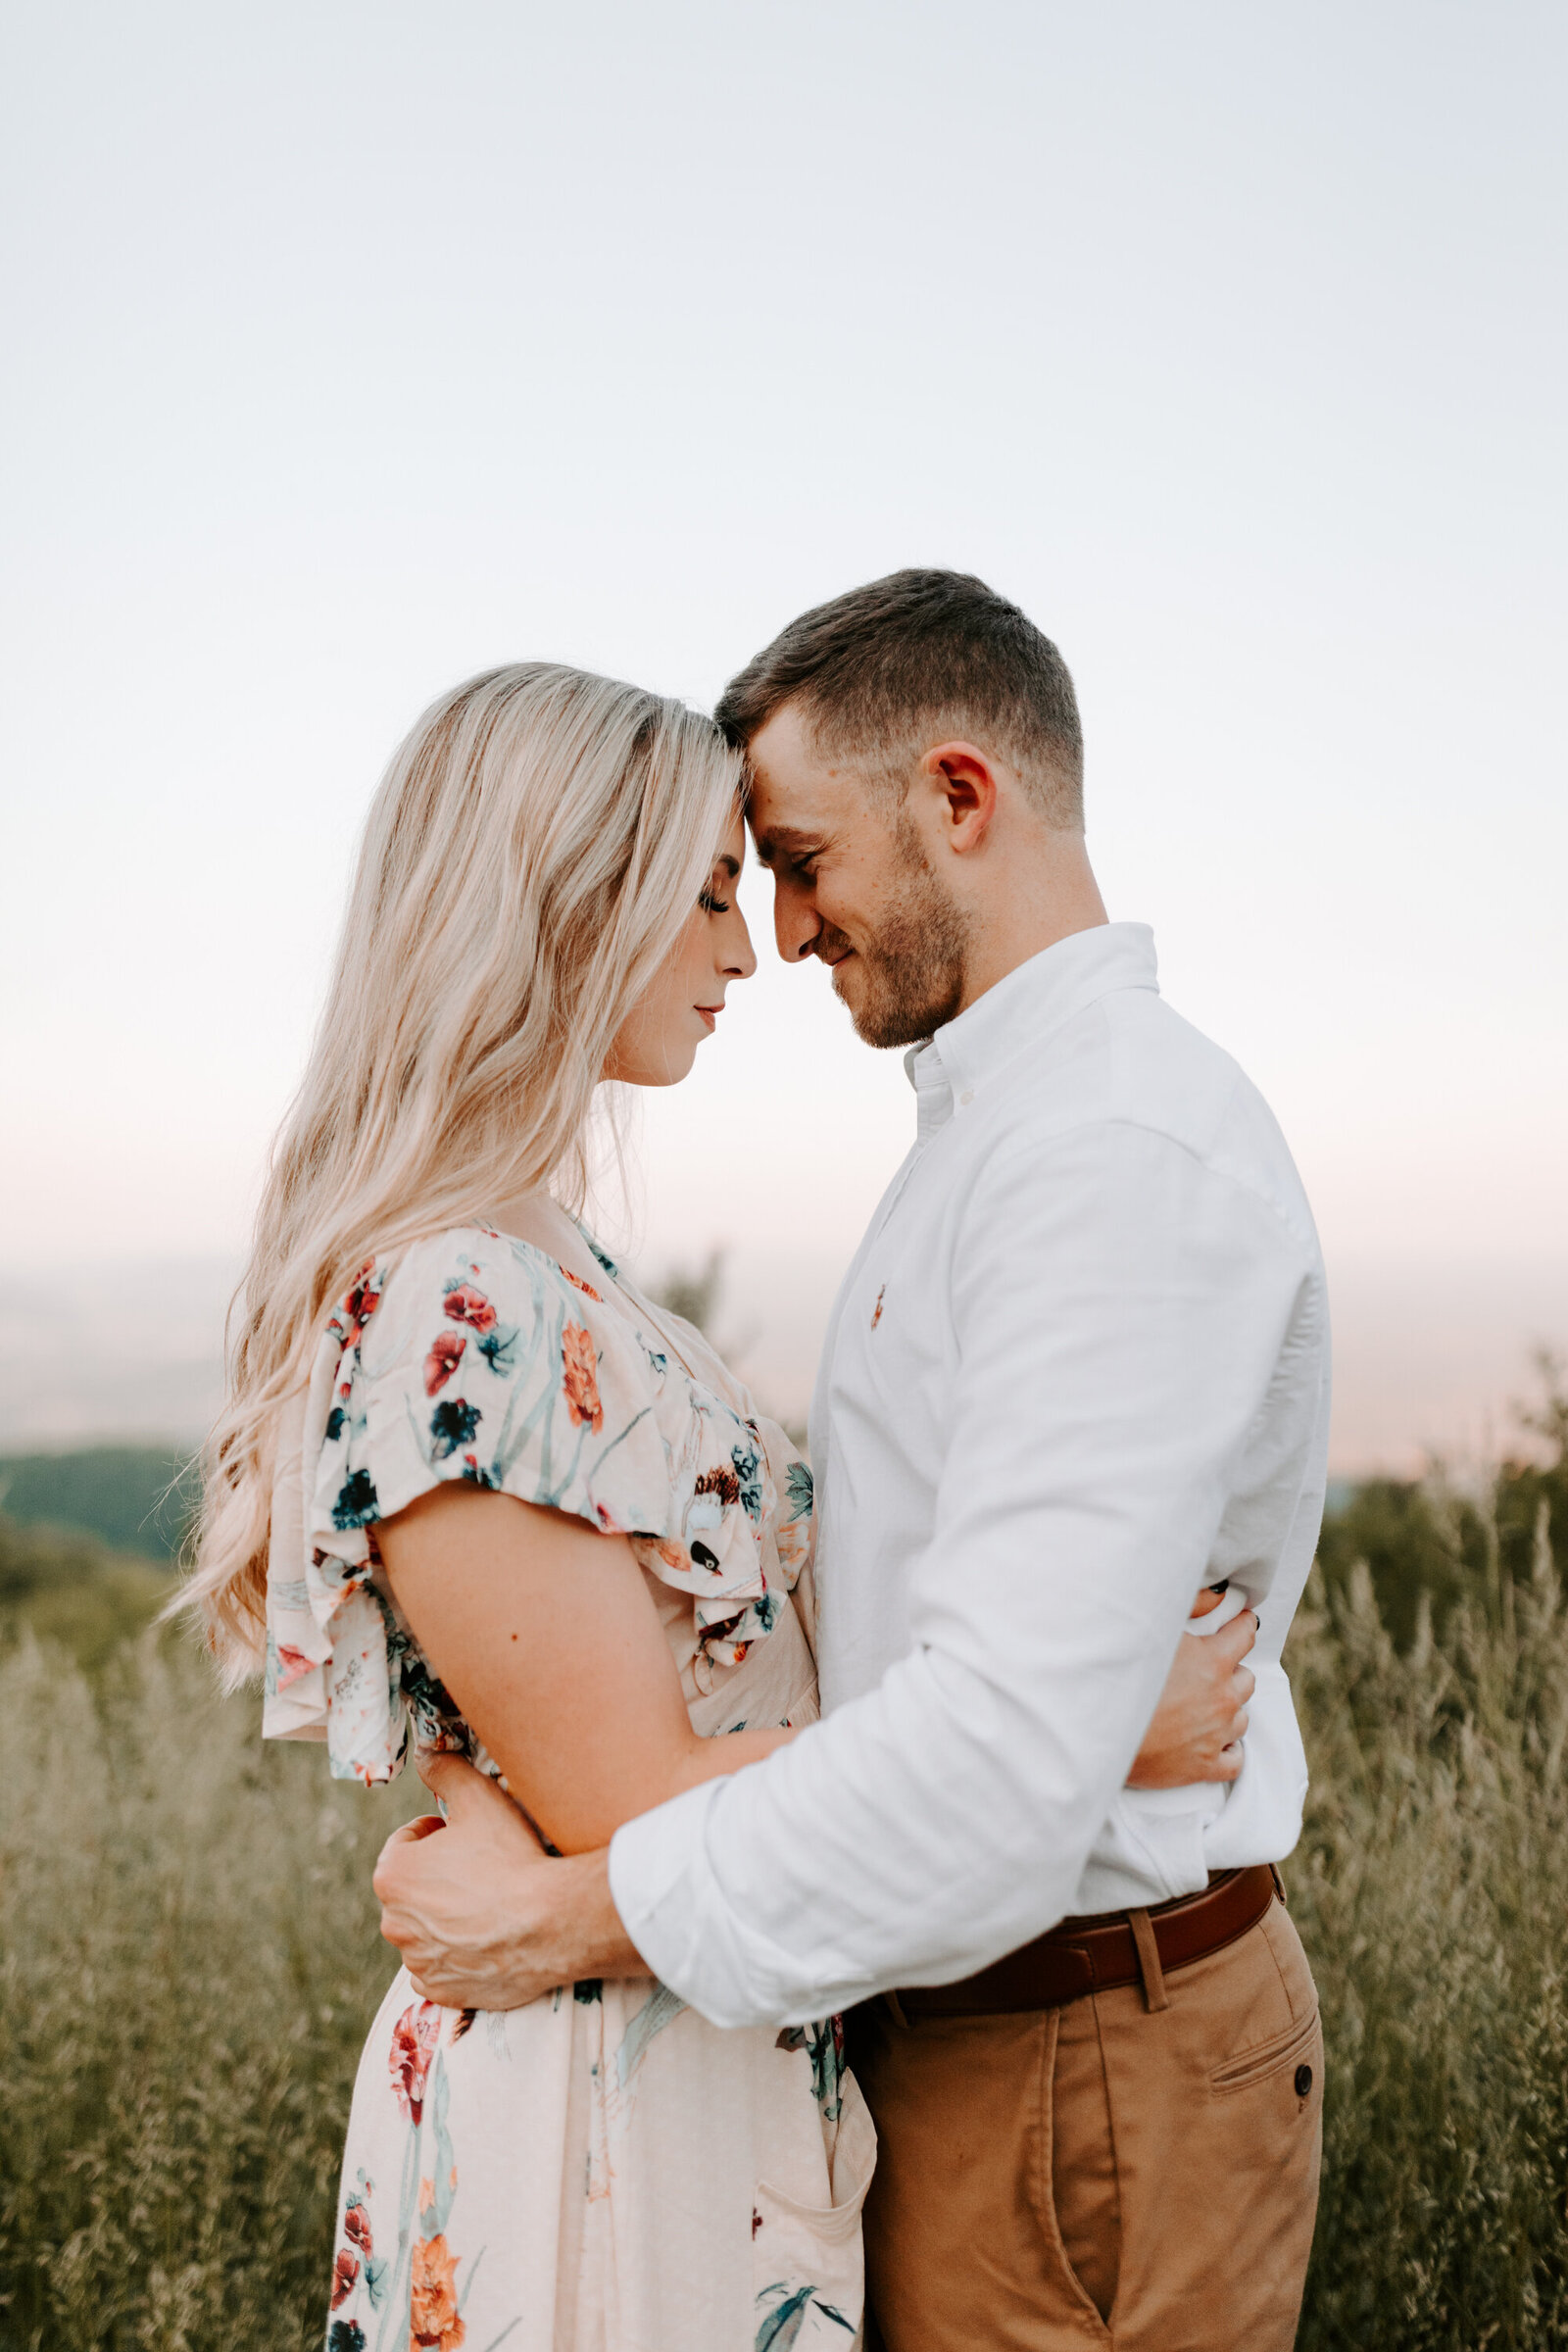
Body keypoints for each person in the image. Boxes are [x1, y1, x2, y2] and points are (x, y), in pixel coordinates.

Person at [181, 656, 1248, 2352]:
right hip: (609, 2113)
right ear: (559, 904)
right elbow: (641, 1806)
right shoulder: (458, 1299)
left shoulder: (543, 1253)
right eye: (699, 897)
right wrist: (1090, 1714)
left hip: (708, 2054)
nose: (750, 949)